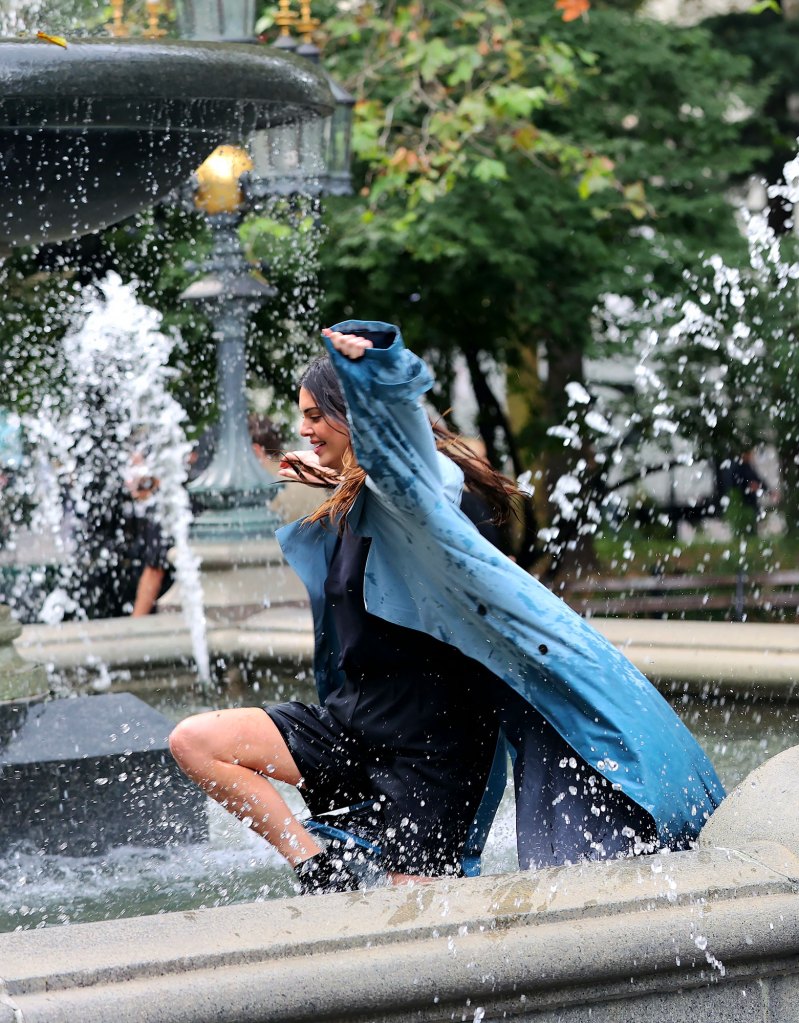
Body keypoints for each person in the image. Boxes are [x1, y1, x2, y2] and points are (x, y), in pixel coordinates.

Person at [169, 321, 724, 894]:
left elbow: (408, 465)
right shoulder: (356, 502)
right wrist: (339, 480)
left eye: (316, 415)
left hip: (435, 748)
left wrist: (377, 373)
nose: (304, 429)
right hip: (352, 721)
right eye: (302, 416)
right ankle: (319, 868)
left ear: (356, 413)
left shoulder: (425, 493)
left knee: (418, 923)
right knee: (197, 741)